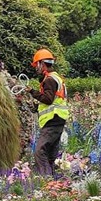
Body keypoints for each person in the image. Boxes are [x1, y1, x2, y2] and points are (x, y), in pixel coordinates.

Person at [29, 48, 69, 177]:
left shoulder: (49, 80)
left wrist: (32, 92)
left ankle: (46, 179)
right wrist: (36, 107)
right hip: (58, 119)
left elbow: (48, 99)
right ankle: (52, 182)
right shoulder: (56, 77)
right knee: (50, 153)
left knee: (40, 151)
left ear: (42, 63)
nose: (37, 68)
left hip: (52, 120)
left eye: (37, 65)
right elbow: (52, 100)